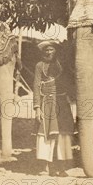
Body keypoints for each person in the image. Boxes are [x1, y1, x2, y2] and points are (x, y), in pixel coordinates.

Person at [33, 40, 75, 176]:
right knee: (46, 134)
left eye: (51, 49)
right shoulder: (39, 66)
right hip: (47, 102)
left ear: (55, 51)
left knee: (63, 133)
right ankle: (46, 167)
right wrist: (37, 108)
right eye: (46, 50)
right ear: (42, 52)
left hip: (62, 102)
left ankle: (61, 167)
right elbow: (36, 86)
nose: (49, 52)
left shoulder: (62, 65)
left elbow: (69, 82)